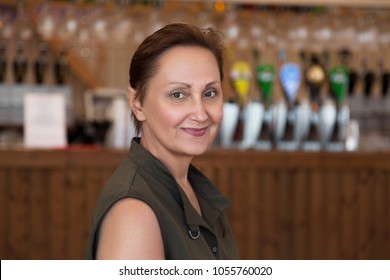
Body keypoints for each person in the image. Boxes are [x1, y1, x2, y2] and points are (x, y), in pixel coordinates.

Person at [86, 23, 239, 260]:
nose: (200, 114)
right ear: (137, 103)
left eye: (209, 93)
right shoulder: (134, 214)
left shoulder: (189, 187)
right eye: (178, 95)